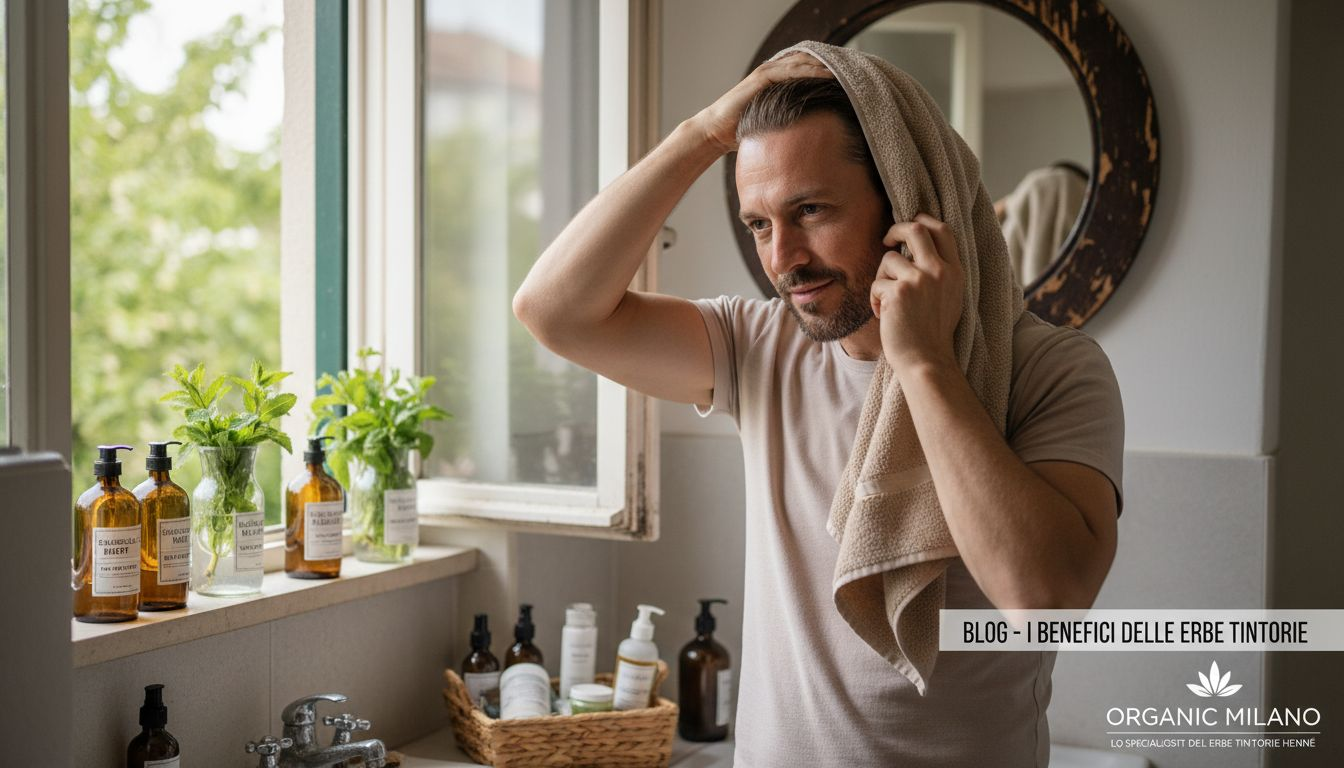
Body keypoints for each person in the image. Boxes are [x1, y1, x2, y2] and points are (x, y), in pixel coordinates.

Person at [513, 49, 1123, 768]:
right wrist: (701, 135)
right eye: (760, 224)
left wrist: (923, 363)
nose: (783, 260)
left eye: (809, 210)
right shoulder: (759, 346)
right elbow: (553, 311)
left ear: (904, 203)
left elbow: (1044, 598)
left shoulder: (1050, 369)